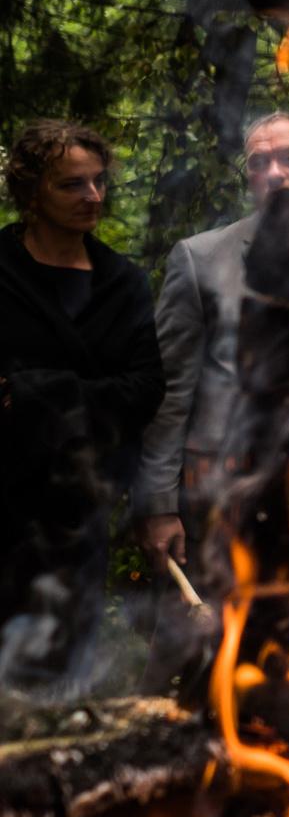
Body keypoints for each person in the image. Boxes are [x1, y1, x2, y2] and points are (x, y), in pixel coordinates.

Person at [0, 120, 167, 692]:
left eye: (98, 182)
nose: (92, 197)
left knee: (59, 685)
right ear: (29, 192)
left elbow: (144, 390)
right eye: (72, 185)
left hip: (81, 515)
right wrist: (94, 394)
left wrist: (29, 393)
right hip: (5, 505)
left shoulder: (123, 283)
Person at [134, 111, 289, 580]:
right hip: (221, 494)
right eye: (259, 163)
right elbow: (168, 391)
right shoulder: (201, 258)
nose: (274, 173)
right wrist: (157, 504)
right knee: (209, 641)